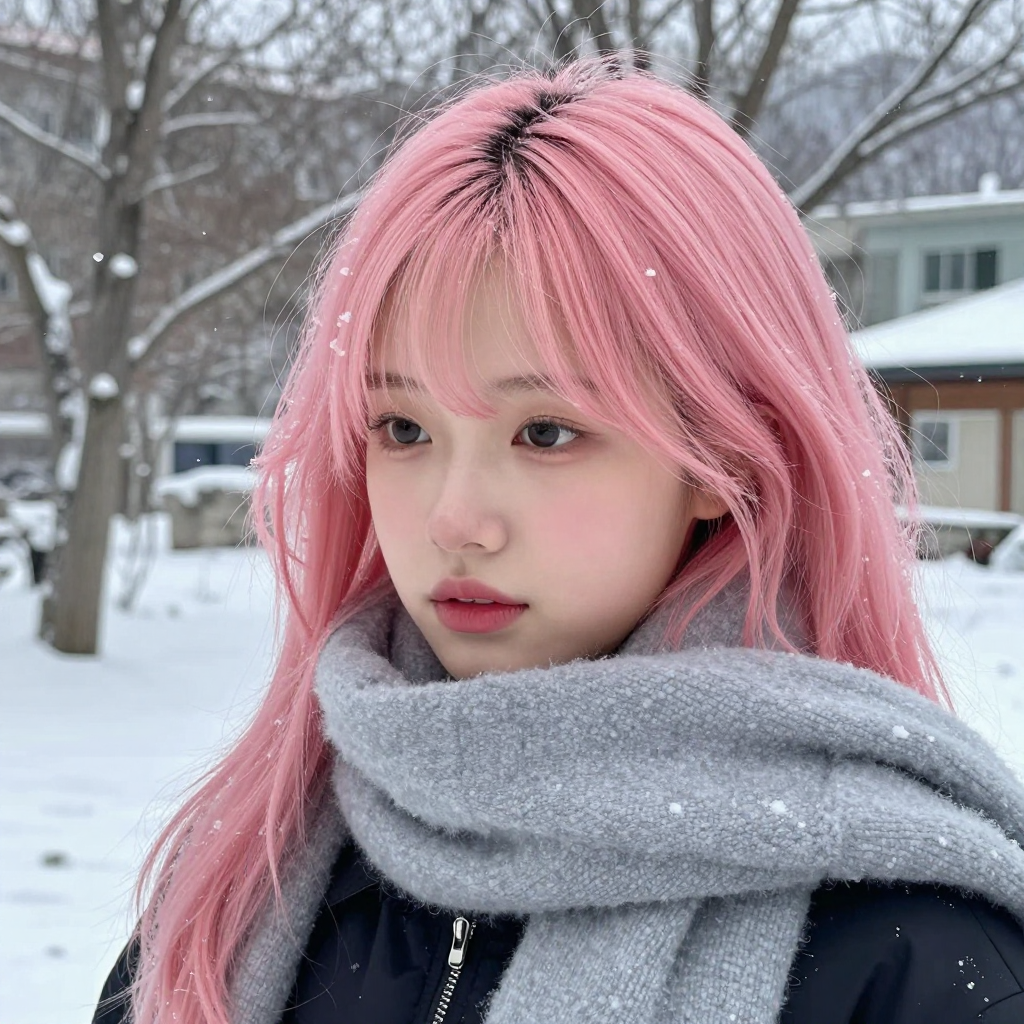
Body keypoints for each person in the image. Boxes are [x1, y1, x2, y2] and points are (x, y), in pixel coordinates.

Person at [93, 59, 1024, 1024]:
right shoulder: (244, 877)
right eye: (403, 428)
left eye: (545, 432)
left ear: (722, 456)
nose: (455, 519)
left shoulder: (913, 953)